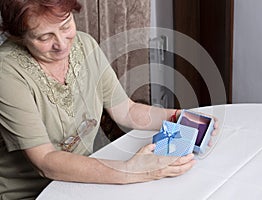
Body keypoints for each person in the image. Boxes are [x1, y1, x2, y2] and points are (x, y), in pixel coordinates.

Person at [0, 1, 218, 199]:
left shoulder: (86, 46)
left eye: (66, 26)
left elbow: (127, 111)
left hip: (84, 181)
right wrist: (131, 169)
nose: (62, 44)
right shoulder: (6, 72)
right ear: (18, 36)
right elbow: (45, 161)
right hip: (33, 193)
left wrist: (177, 116)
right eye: (45, 37)